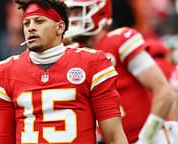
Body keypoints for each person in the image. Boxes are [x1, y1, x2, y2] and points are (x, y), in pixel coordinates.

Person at [0, 0, 128, 144]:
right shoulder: (5, 72)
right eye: (26, 23)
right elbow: (4, 140)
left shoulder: (92, 63)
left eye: (39, 21)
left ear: (60, 27)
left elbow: (114, 137)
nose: (31, 28)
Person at [63, 0, 174, 143]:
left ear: (100, 12)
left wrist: (147, 137)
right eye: (70, 12)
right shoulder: (72, 53)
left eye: (77, 12)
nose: (72, 18)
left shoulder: (119, 41)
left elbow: (164, 92)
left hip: (149, 138)